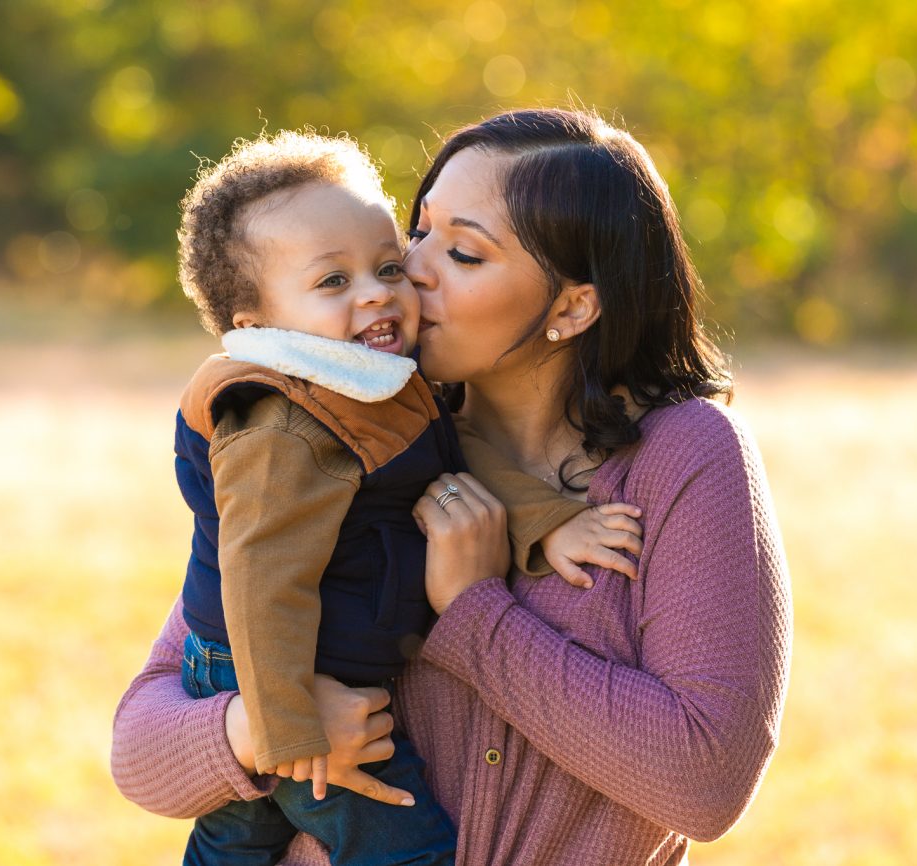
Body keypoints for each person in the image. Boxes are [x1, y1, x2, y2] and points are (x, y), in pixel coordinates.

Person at [113, 108, 792, 866]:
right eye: (420, 231)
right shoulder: (350, 429)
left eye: (464, 253)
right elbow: (141, 742)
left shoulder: (683, 456)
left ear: (571, 306)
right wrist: (260, 731)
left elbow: (703, 784)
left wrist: (474, 614)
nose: (413, 270)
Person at [165, 129, 646, 866]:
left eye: (388, 264)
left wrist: (551, 526)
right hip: (278, 681)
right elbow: (260, 577)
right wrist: (288, 735)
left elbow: (455, 463)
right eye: (333, 283)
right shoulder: (281, 423)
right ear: (255, 326)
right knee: (406, 848)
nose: (380, 292)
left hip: (310, 675)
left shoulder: (369, 383)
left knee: (237, 842)